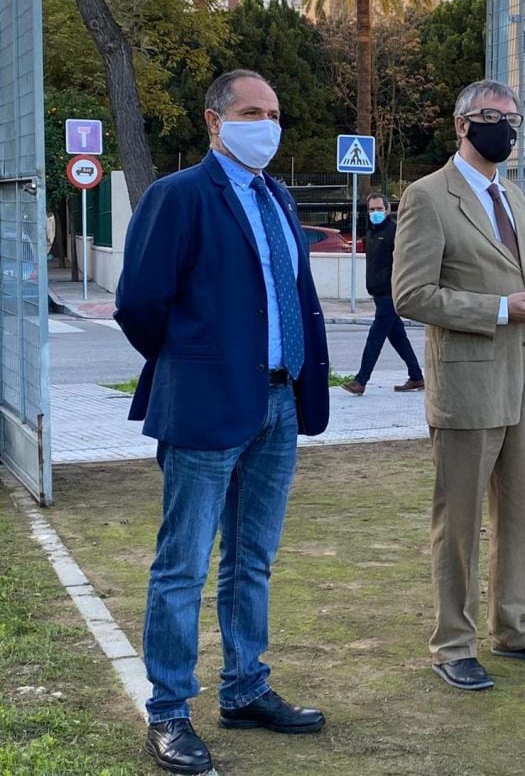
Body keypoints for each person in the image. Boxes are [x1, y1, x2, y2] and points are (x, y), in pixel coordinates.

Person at [115, 69, 330, 775]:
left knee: (252, 559)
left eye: (272, 111)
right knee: (182, 564)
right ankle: (170, 713)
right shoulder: (176, 197)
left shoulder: (278, 196)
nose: (265, 123)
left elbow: (292, 293)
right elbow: (139, 303)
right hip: (206, 406)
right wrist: (193, 362)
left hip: (279, 402)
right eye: (249, 111)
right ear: (215, 122)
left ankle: (246, 688)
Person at [392, 79, 525, 691]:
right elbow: (411, 295)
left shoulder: (515, 197)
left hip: (523, 383)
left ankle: (515, 627)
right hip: (467, 389)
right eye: (492, 116)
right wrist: (502, 309)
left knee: (521, 517)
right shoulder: (428, 197)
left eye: (514, 118)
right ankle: (453, 642)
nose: (506, 127)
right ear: (461, 124)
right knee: (461, 522)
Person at [342, 192, 425, 395]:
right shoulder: (370, 234)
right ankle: (416, 376)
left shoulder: (395, 232)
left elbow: (406, 262)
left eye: (379, 209)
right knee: (397, 336)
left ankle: (361, 380)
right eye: (372, 209)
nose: (375, 213)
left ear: (388, 210)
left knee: (376, 335)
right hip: (378, 294)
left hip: (391, 294)